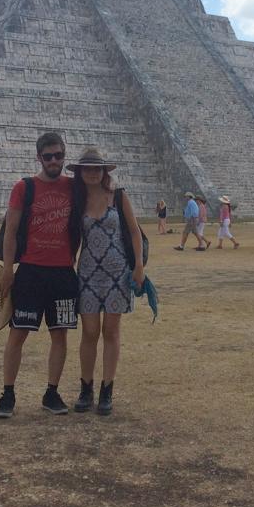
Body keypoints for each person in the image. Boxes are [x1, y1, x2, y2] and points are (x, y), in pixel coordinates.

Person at [0, 132, 80, 419]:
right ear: (39, 157)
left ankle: (51, 392)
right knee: (18, 333)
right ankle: (8, 393)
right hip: (31, 271)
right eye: (48, 156)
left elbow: (102, 189)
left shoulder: (74, 187)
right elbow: (10, 231)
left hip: (63, 273)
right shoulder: (24, 187)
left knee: (60, 335)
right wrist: (8, 269)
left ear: (64, 157)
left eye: (58, 156)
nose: (54, 161)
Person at [68, 147, 142, 416]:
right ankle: (85, 388)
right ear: (80, 173)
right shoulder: (76, 200)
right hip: (88, 273)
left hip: (117, 272)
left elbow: (134, 232)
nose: (92, 173)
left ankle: (106, 389)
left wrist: (139, 268)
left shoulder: (118, 197)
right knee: (89, 331)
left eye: (96, 168)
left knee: (111, 331)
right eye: (87, 169)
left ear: (103, 172)